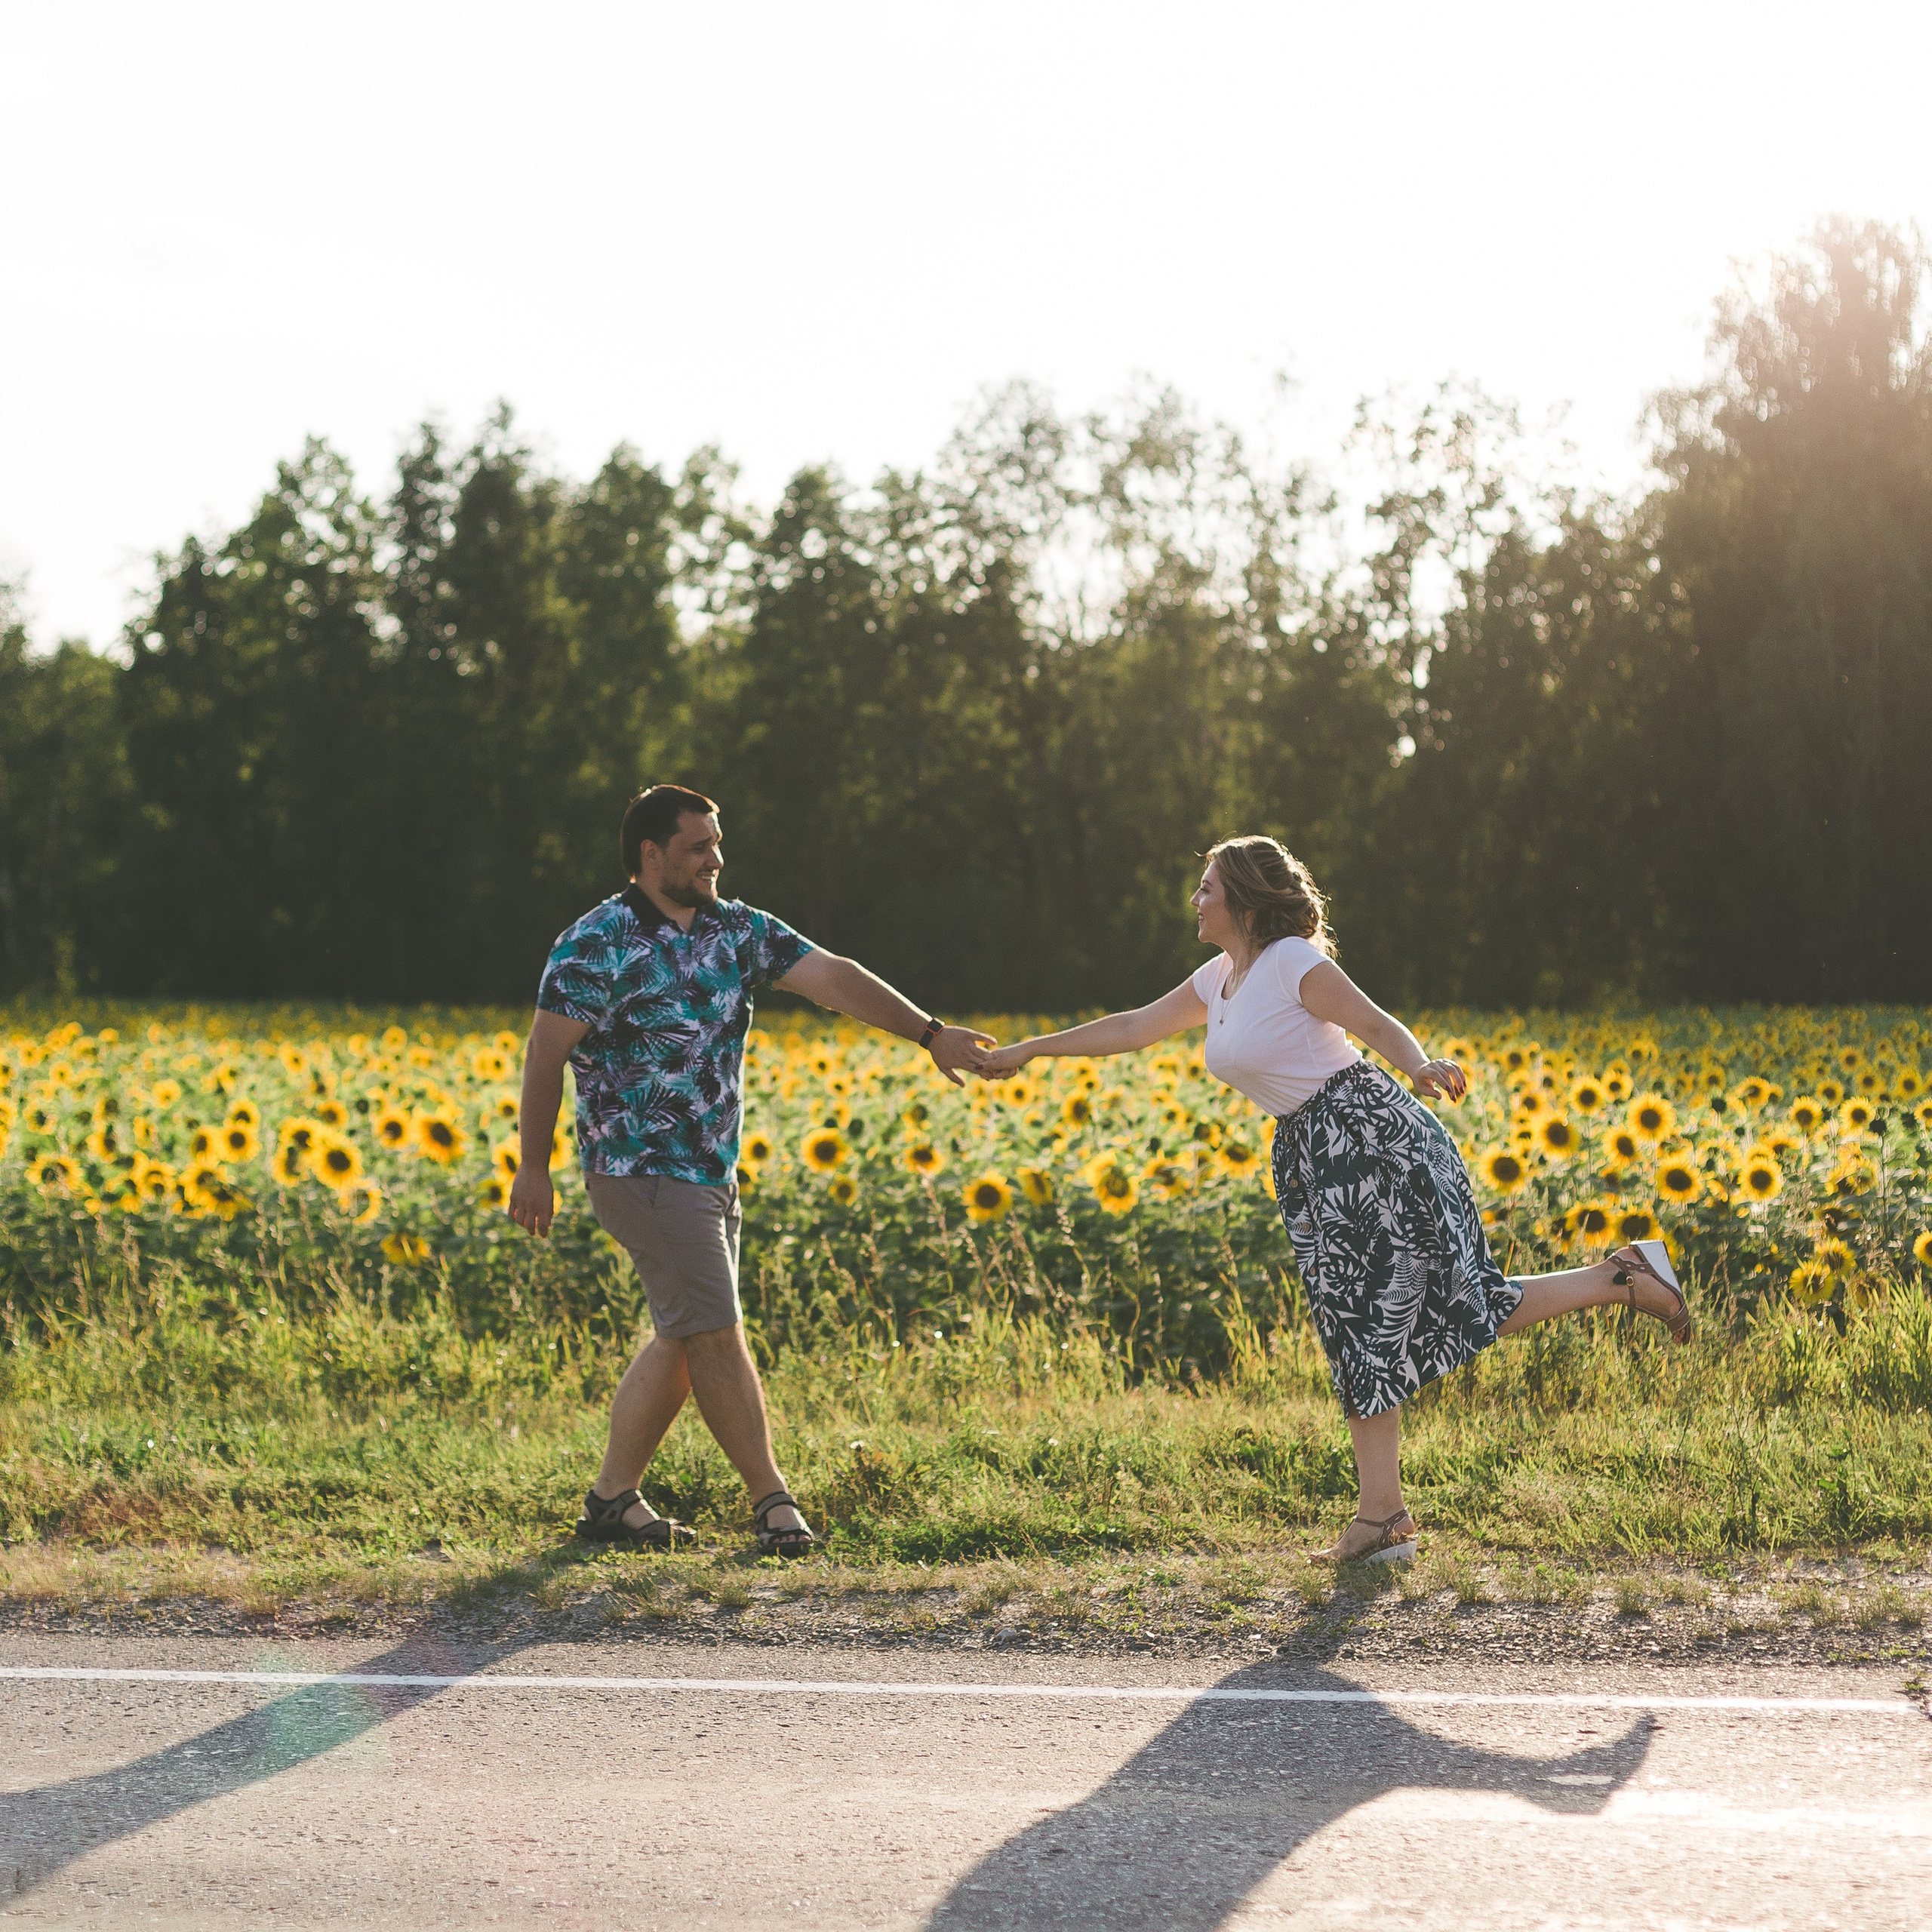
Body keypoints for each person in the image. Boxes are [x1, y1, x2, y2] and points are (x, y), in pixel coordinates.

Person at [980, 835, 1692, 1564]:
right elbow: (1132, 1027)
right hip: (1314, 1156)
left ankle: (1620, 1282)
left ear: (1244, 899)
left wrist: (1418, 1065)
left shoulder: (1290, 961)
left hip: (1371, 1140)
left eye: (1207, 888)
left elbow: (1374, 1023)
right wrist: (1029, 1049)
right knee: (1360, 1330)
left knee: (1439, 1307)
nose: (1195, 900)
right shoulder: (1219, 979)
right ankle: (1386, 1513)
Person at [509, 783, 994, 1558]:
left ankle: (610, 1500)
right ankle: (772, 1501)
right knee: (713, 1331)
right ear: (651, 854)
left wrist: (929, 1033)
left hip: (712, 1172)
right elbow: (544, 1057)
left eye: (717, 843)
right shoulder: (595, 941)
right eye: (698, 846)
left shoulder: (735, 930)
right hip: (639, 1169)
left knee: (682, 1335)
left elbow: (834, 976)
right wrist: (532, 1167)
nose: (715, 859)